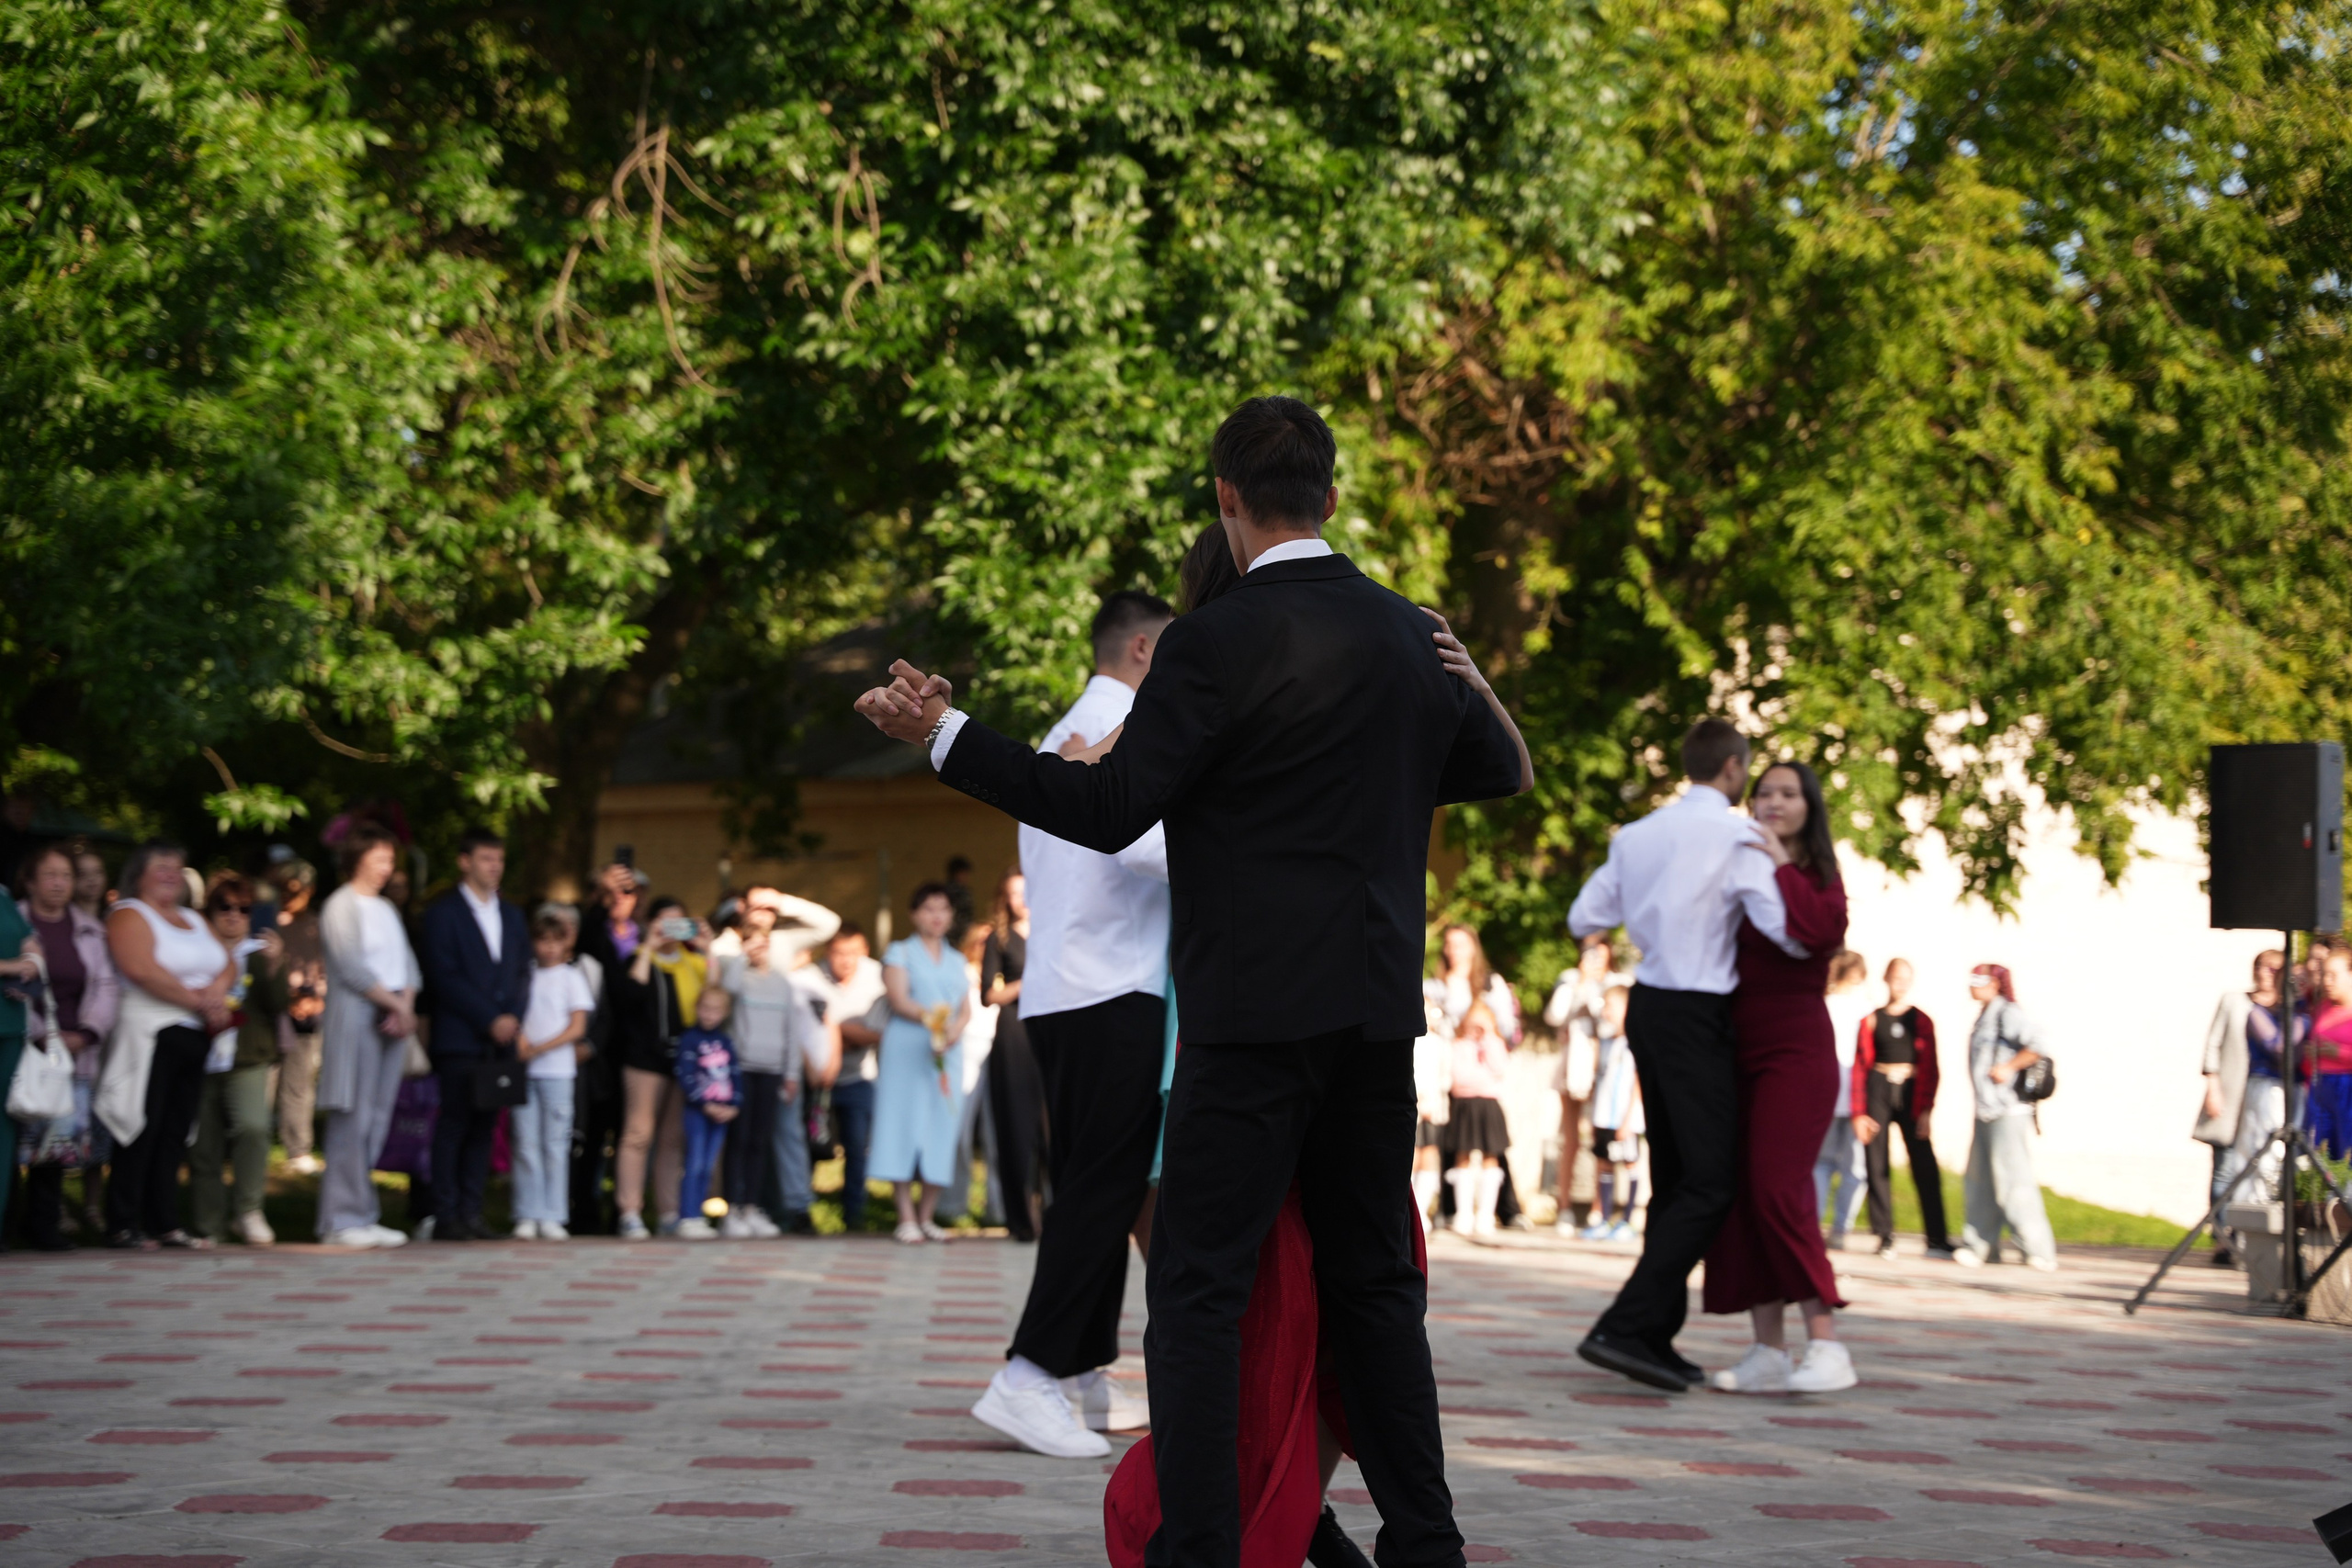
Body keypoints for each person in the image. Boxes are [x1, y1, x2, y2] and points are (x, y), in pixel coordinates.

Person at [855, 394, 1532, 1567]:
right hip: (1374, 1015)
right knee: (1376, 1288)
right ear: (1331, 495)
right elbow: (1498, 772)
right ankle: (1426, 1545)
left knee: (1203, 1292)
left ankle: (1202, 1551)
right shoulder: (1403, 631)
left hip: (1248, 1014)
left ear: (1226, 502)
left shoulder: (1209, 643)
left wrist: (949, 735)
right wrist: (1471, 682)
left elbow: (1110, 810)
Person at [963, 589, 1175, 1457]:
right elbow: (1134, 840)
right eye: (1177, 651)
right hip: (1112, 987)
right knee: (1103, 1191)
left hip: (1066, 988)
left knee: (1098, 1182)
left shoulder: (1069, 725)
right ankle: (1031, 1373)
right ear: (1138, 650)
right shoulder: (1120, 724)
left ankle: (1083, 1370)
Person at [1566, 718, 1803, 1393]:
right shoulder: (1738, 834)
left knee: (1674, 1178)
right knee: (1711, 1179)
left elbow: (1584, 917)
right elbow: (1783, 931)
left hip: (1649, 1003)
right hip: (1700, 1010)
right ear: (1734, 769)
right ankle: (1623, 1322)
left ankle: (1651, 1335)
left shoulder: (1636, 834)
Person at [1700, 760, 1856, 1395]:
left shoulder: (1816, 872)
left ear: (1808, 806)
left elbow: (1821, 930)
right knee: (1741, 1196)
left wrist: (1779, 864)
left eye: (1788, 793)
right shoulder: (1736, 861)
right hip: (1737, 1046)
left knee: (1777, 1188)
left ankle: (1827, 1343)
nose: (1773, 802)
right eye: (1764, 791)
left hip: (1796, 1049)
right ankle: (1768, 1349)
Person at [94, 840, 234, 1250]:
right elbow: (141, 969)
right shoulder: (128, 914)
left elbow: (226, 963)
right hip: (150, 1033)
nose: (172, 874)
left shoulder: (193, 917)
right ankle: (122, 1221)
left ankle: (165, 1221)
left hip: (194, 1035)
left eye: (177, 867)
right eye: (162, 867)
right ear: (139, 872)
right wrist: (201, 1003)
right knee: (142, 1125)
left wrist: (216, 994)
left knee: (175, 1131)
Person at [416, 828, 532, 1242]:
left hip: (501, 1039)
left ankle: (472, 1210)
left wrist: (512, 1017)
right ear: (465, 862)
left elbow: (522, 972)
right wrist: (489, 1018)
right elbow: (444, 975)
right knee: (455, 1123)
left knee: (486, 1125)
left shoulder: (513, 915)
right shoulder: (443, 914)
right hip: (461, 1036)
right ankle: (445, 1214)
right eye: (486, 859)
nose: (494, 867)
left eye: (499, 860)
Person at [311, 823, 421, 1247]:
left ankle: (363, 1211)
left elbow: (408, 965)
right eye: (379, 859)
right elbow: (351, 968)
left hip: (392, 1022)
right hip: (358, 1019)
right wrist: (394, 1005)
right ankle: (339, 1218)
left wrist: (405, 1008)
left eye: (390, 860)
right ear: (356, 858)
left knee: (376, 1118)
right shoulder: (341, 906)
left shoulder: (387, 910)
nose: (386, 868)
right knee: (352, 1118)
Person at [15, 843, 120, 1250]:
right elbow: (15, 987)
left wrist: (89, 1032)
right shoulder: (16, 922)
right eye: (50, 875)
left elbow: (106, 985)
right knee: (19, 1136)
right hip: (29, 1047)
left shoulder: (90, 929)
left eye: (66, 876)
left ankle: (44, 1224)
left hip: (77, 1051)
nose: (59, 884)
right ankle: (10, 1219)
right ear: (30, 880)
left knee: (59, 1142)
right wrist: (43, 1033)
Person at [871, 883, 972, 1243]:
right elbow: (899, 999)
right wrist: (935, 1021)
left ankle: (928, 1215)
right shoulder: (899, 952)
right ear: (915, 914)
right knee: (902, 1123)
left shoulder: (958, 959)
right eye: (929, 908)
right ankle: (905, 1215)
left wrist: (953, 1031)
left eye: (943, 909)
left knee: (941, 1125)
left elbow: (965, 1009)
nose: (936, 916)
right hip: (908, 1047)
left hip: (946, 1052)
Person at [190, 874, 288, 1246]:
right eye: (225, 907)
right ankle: (207, 1224)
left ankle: (248, 1210)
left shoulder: (261, 953)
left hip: (247, 1056)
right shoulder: (193, 949)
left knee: (253, 1127)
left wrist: (277, 967)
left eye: (243, 909)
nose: (234, 916)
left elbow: (278, 1005)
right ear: (209, 912)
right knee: (203, 1144)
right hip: (201, 1055)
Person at [723, 920, 833, 1236]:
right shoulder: (739, 977)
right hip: (742, 1068)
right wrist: (742, 957)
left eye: (763, 944)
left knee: (759, 1141)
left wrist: (790, 1073)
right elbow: (727, 991)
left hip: (772, 1071)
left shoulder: (782, 983)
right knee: (738, 1140)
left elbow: (790, 1030)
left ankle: (751, 1208)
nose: (759, 949)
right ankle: (732, 1209)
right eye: (752, 943)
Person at [611, 895, 706, 1238]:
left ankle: (668, 1211)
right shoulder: (638, 958)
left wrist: (707, 949)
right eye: (664, 924)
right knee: (638, 1134)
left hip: (682, 1060)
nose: (671, 932)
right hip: (643, 1059)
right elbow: (630, 995)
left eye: (679, 924)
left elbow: (714, 999)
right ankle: (630, 1211)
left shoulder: (693, 962)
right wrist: (648, 947)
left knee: (671, 1139)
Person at [1953, 964, 2057, 1271]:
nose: (1972, 985)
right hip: (1985, 1109)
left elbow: (2038, 1044)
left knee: (2014, 1180)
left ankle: (2038, 1250)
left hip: (2007, 1109)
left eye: (1979, 980)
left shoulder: (2006, 1012)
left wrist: (2009, 1067)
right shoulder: (1984, 1015)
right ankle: (1981, 1245)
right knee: (1980, 1180)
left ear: (1996, 984)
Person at [1854, 956, 1951, 1260]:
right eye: (1896, 977)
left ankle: (1937, 1238)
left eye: (1906, 978)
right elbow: (1859, 1067)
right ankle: (1884, 1236)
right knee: (1877, 1163)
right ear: (1886, 979)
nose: (1901, 983)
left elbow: (1931, 1067)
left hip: (1911, 1092)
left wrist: (1926, 1110)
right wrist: (1859, 1112)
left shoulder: (1921, 1021)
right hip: (1879, 1090)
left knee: (1924, 1164)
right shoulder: (1871, 1020)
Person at [793, 923, 888, 1230]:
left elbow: (878, 1034)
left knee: (857, 1147)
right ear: (827, 953)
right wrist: (849, 1034)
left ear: (865, 952)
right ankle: (801, 1211)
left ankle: (854, 1216)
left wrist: (832, 1029)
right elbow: (801, 1027)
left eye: (853, 953)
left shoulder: (877, 976)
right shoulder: (808, 978)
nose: (846, 960)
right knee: (808, 1144)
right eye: (838, 953)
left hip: (860, 1076)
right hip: (816, 1077)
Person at [570, 859, 644, 1234]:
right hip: (598, 1050)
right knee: (593, 1135)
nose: (620, 898)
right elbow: (584, 936)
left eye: (627, 891)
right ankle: (583, 1213)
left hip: (636, 1052)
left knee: (630, 1135)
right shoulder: (594, 934)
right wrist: (599, 899)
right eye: (613, 891)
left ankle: (625, 1211)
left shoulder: (646, 939)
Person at [511, 911, 594, 1239]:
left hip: (558, 1071)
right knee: (526, 1142)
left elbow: (578, 1026)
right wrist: (522, 1044)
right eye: (542, 941)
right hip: (526, 1070)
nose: (548, 948)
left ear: (565, 944)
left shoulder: (571, 977)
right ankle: (527, 1212)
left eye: (555, 941)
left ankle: (554, 1214)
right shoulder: (525, 975)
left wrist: (540, 1048)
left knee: (555, 1144)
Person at [2197, 953, 2274, 1263]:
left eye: (2272, 969)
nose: (2265, 974)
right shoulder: (2234, 1001)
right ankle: (2222, 1237)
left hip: (2263, 1101)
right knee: (2225, 1168)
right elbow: (2212, 1045)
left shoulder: (2286, 1009)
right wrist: (2212, 1087)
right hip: (2231, 1094)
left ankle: (2249, 1238)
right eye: (2260, 967)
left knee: (2259, 1169)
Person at [979, 871, 1044, 1240]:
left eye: (1025, 890)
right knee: (1016, 1125)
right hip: (1014, 1033)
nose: (1020, 899)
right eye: (1013, 893)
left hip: (1052, 1029)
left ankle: (1057, 1213)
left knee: (1054, 1126)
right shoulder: (998, 938)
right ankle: (1020, 1219)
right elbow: (988, 995)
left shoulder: (1056, 928)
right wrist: (1030, 979)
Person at [1543, 936, 1614, 1235]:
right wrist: (1580, 985)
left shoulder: (1616, 982)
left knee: (1602, 1137)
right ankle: (1565, 1207)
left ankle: (1601, 1209)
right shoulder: (1570, 979)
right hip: (1573, 1065)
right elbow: (1554, 1016)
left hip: (1607, 1067)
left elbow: (1612, 1023)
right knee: (1569, 1137)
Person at [937, 920, 999, 1224]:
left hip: (999, 1056)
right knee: (957, 1133)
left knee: (996, 1136)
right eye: (981, 941)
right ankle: (951, 1206)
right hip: (963, 1055)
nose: (986, 947)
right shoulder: (959, 970)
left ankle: (998, 1208)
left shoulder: (1006, 972)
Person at [267, 856, 326, 1176]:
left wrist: (317, 999)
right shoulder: (269, 922)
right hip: (273, 1010)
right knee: (265, 1080)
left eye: (296, 889)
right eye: (283, 889)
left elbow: (326, 970)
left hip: (308, 1013)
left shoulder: (317, 926)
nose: (289, 895)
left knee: (300, 1083)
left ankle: (298, 1147)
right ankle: (253, 1142)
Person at [1813, 950, 1872, 1251]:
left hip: (1824, 1094)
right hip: (1857, 1099)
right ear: (1859, 975)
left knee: (1821, 1165)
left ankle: (1814, 1225)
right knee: (1855, 1169)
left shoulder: (1822, 1005)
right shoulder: (1866, 1010)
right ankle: (1840, 1229)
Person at [673, 987, 741, 1239]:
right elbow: (686, 1077)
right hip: (698, 1111)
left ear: (724, 1013)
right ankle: (687, 1216)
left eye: (716, 1010)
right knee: (695, 1162)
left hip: (722, 1112)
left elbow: (734, 1075)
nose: (710, 1014)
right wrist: (704, 1104)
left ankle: (698, 1215)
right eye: (705, 1008)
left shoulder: (726, 1042)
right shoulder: (689, 1039)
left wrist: (734, 1105)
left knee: (709, 1166)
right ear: (697, 1009)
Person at [1442, 999, 1512, 1237]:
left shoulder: (1496, 1044)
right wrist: (1481, 1079)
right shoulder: (1459, 1046)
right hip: (1464, 1104)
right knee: (1461, 1155)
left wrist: (1489, 1038)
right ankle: (1463, 1213)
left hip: (1489, 1105)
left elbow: (1500, 1068)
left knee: (1491, 1156)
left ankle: (1486, 1214)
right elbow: (1458, 1077)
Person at [1581, 986, 1644, 1241]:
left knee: (1630, 1163)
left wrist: (1628, 1119)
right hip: (1604, 1116)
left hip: (1624, 1118)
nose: (1606, 1012)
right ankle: (1604, 1219)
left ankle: (1628, 1220)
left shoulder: (1635, 1044)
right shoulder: (1608, 1043)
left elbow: (1637, 1083)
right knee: (1604, 1163)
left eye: (1612, 1007)